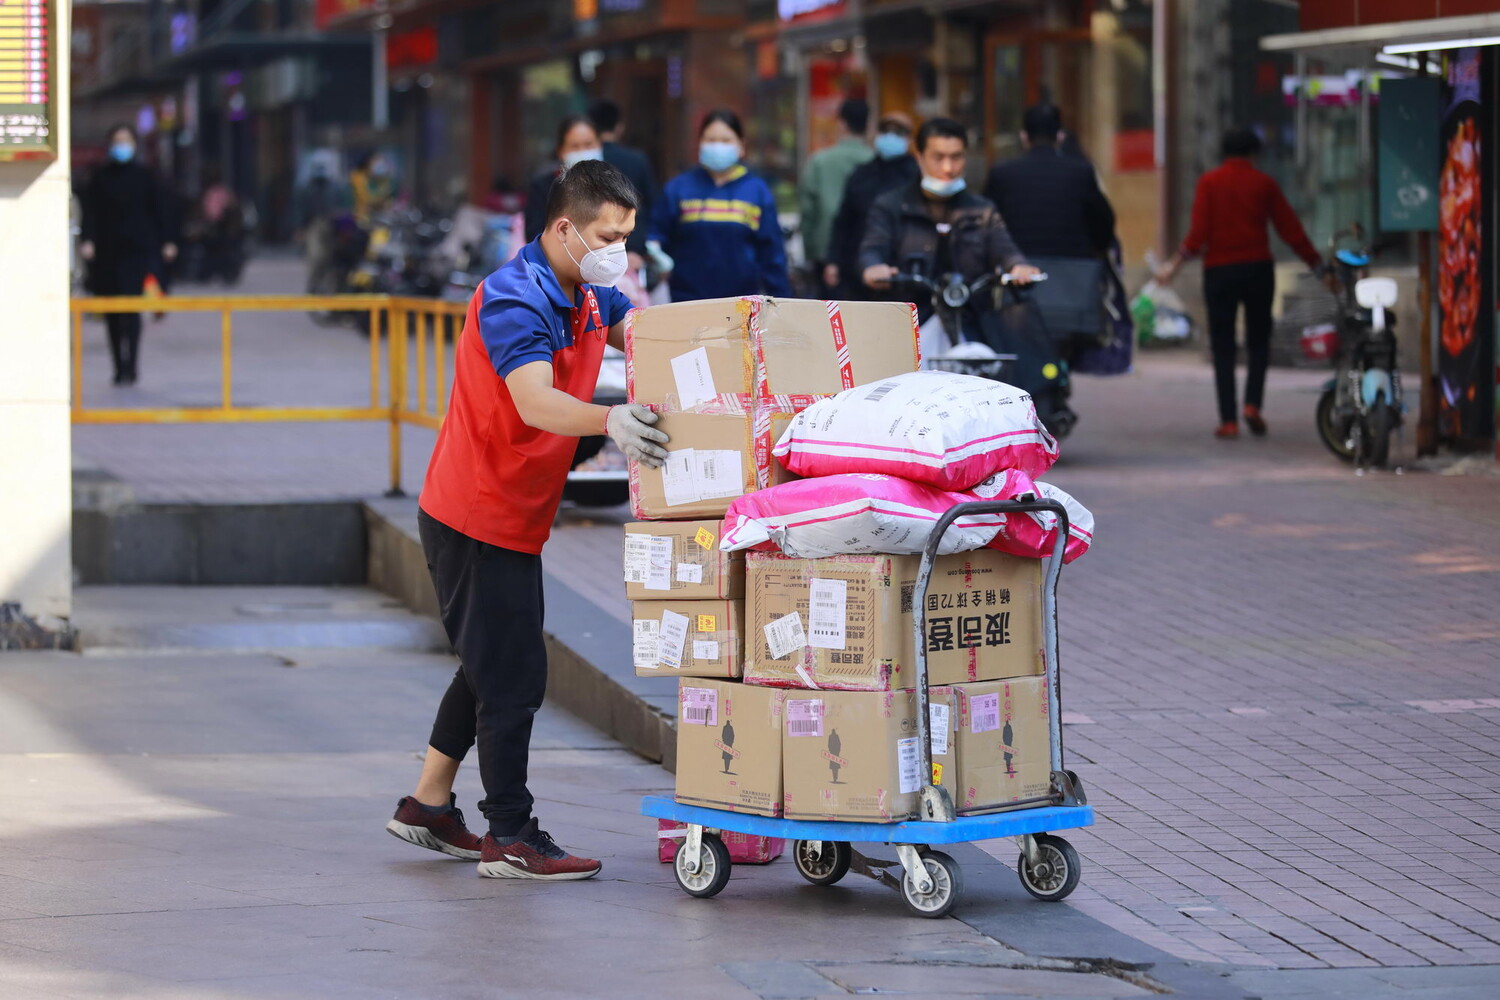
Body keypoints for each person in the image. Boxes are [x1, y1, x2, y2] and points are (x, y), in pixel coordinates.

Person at [385, 160, 668, 880]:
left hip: (511, 512)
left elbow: (649, 335)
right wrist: (612, 418)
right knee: (514, 679)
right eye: (609, 236)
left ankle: (426, 802)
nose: (619, 251)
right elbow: (534, 402)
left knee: (487, 666)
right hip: (477, 516)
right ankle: (509, 833)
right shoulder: (516, 297)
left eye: (627, 237)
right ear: (565, 228)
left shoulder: (588, 291)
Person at [1155, 127, 1323, 438]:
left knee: (1223, 344)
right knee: (1259, 340)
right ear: (1254, 153)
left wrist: (1173, 266)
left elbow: (1197, 235)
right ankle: (1253, 405)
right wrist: (1317, 263)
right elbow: (1290, 228)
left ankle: (1229, 420)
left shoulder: (1209, 183)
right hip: (1258, 268)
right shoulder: (1264, 183)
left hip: (1219, 271)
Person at [860, 117, 1040, 336]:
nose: (948, 168)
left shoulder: (982, 210)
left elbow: (1005, 249)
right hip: (907, 327)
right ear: (919, 157)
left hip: (971, 324)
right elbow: (873, 246)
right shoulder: (891, 206)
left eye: (956, 157)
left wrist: (1019, 267)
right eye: (938, 157)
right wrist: (874, 267)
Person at [651, 109, 790, 301]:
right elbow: (657, 234)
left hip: (742, 303)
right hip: (686, 300)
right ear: (699, 144)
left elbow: (772, 253)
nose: (717, 146)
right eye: (710, 140)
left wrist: (781, 300)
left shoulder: (756, 191)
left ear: (741, 146)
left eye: (726, 140)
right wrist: (657, 257)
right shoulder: (679, 188)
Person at [79, 123, 177, 385]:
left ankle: (132, 364)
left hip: (136, 250)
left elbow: (159, 211)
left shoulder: (145, 176)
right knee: (111, 312)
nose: (121, 146)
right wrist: (88, 240)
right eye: (117, 141)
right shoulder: (100, 177)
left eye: (126, 141)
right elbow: (91, 212)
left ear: (134, 145)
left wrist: (167, 241)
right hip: (107, 252)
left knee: (131, 310)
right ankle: (118, 366)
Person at [984, 104, 1115, 260]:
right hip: (1072, 271)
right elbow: (1103, 221)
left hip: (1019, 271)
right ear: (1060, 136)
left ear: (1024, 136)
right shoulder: (1080, 172)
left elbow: (986, 224)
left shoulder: (1002, 174)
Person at [827, 111, 920, 299]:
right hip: (857, 269)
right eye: (886, 131)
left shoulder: (917, 176)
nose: (891, 137)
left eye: (898, 133)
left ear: (909, 139)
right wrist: (833, 261)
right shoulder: (862, 174)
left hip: (902, 273)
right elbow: (843, 220)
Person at [797, 98, 873, 295]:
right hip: (870, 254)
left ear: (842, 123)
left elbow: (808, 212)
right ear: (867, 124)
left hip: (825, 253)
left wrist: (811, 253)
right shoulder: (875, 162)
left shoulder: (820, 162)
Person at [588, 97, 657, 272]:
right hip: (632, 249)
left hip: (592, 250)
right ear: (619, 127)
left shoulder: (586, 161)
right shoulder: (637, 160)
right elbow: (651, 204)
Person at [525, 115, 606, 242]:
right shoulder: (544, 187)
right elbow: (535, 234)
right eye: (575, 146)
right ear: (561, 151)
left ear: (600, 145)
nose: (583, 151)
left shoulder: (614, 184)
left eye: (588, 144)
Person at [349, 152, 395, 226]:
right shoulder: (358, 178)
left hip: (369, 217)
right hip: (361, 218)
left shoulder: (372, 179)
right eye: (374, 162)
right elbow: (365, 199)